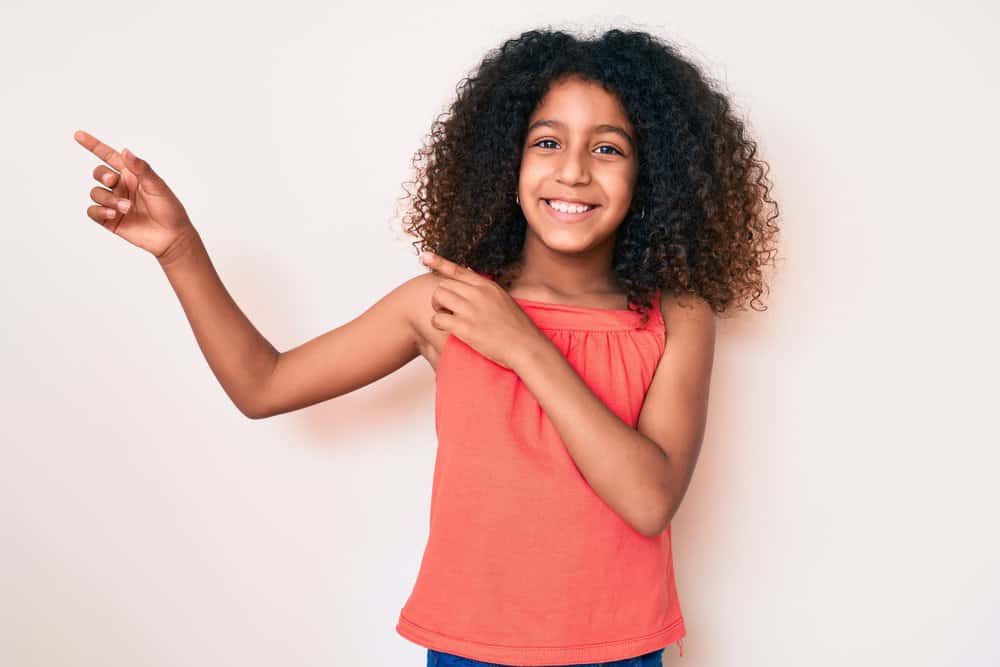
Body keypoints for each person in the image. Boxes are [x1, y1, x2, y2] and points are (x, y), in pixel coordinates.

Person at [73, 26, 779, 667]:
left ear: (649, 175)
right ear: (506, 158)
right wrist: (180, 250)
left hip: (620, 649)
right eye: (546, 141)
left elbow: (650, 498)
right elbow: (263, 384)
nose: (573, 171)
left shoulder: (677, 316)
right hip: (470, 649)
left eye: (607, 147)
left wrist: (524, 346)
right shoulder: (445, 305)